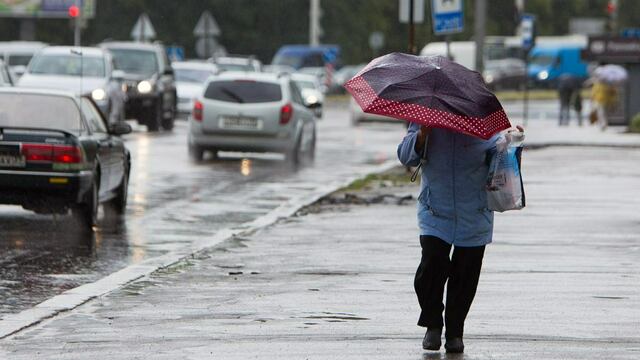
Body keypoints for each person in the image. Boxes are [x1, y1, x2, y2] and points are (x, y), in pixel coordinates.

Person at [397, 123, 521, 353]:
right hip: (435, 211)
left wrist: (510, 143)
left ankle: (455, 332)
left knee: (465, 278)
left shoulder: (483, 117)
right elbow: (405, 157)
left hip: (474, 213)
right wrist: (422, 135)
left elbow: (497, 158)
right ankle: (433, 325)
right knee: (430, 270)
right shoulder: (428, 117)